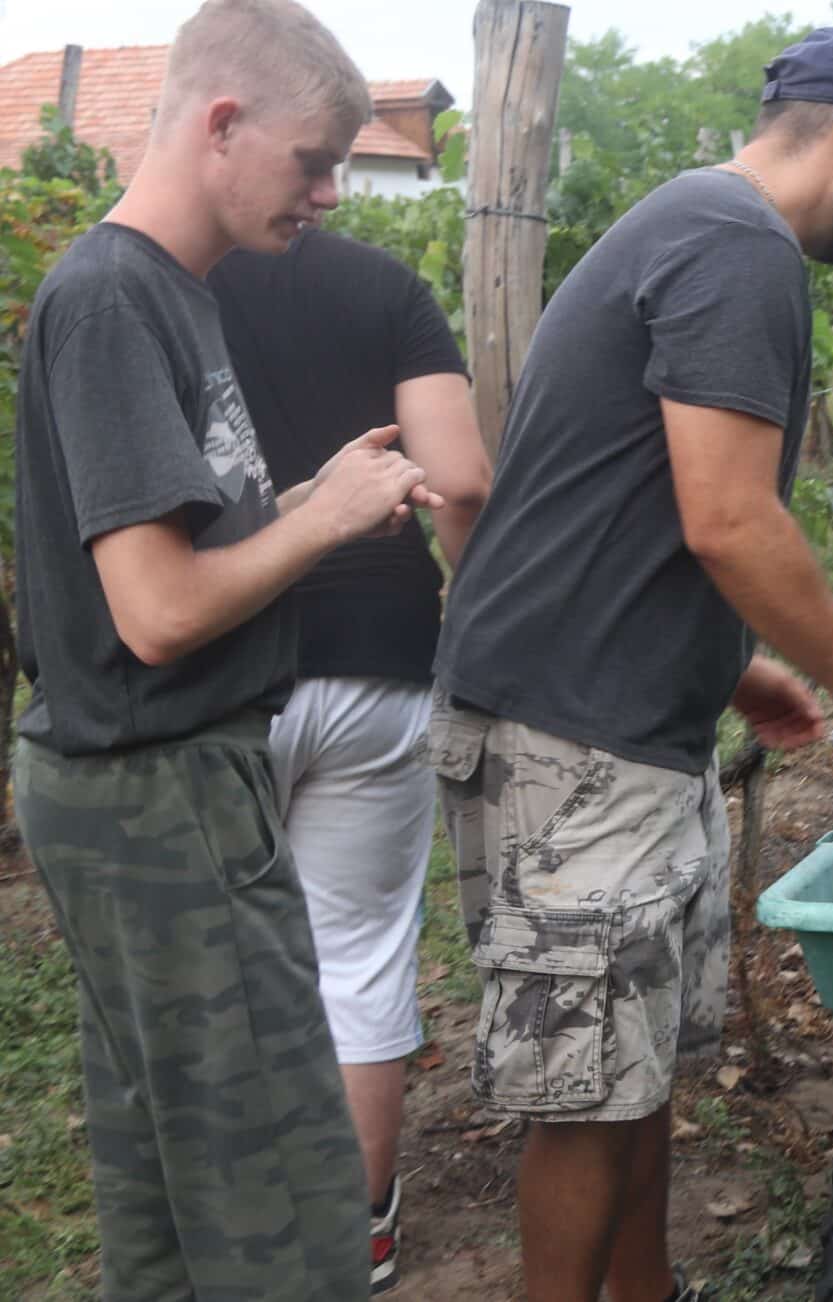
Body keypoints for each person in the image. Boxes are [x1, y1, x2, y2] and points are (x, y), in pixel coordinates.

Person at [424, 25, 833, 1302]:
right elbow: (731, 517)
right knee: (582, 1097)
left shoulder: (700, 226)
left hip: (613, 719)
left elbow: (621, 492)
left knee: (626, 1075)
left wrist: (730, 660)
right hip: (571, 734)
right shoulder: (738, 246)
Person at [10, 2, 445, 1296]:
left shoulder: (175, 292)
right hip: (164, 792)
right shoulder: (112, 298)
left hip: (157, 787)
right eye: (313, 161)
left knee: (171, 1198)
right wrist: (326, 522)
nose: (328, 193)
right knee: (284, 1204)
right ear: (220, 124)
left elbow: (182, 543)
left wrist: (303, 494)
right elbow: (154, 611)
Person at [206, 225, 492, 1294]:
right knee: (361, 954)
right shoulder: (385, 286)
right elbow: (459, 480)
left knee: (216, 958)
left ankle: (234, 1219)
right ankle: (359, 1227)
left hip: (225, 661)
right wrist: (477, 621)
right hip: (381, 661)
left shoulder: (168, 282)